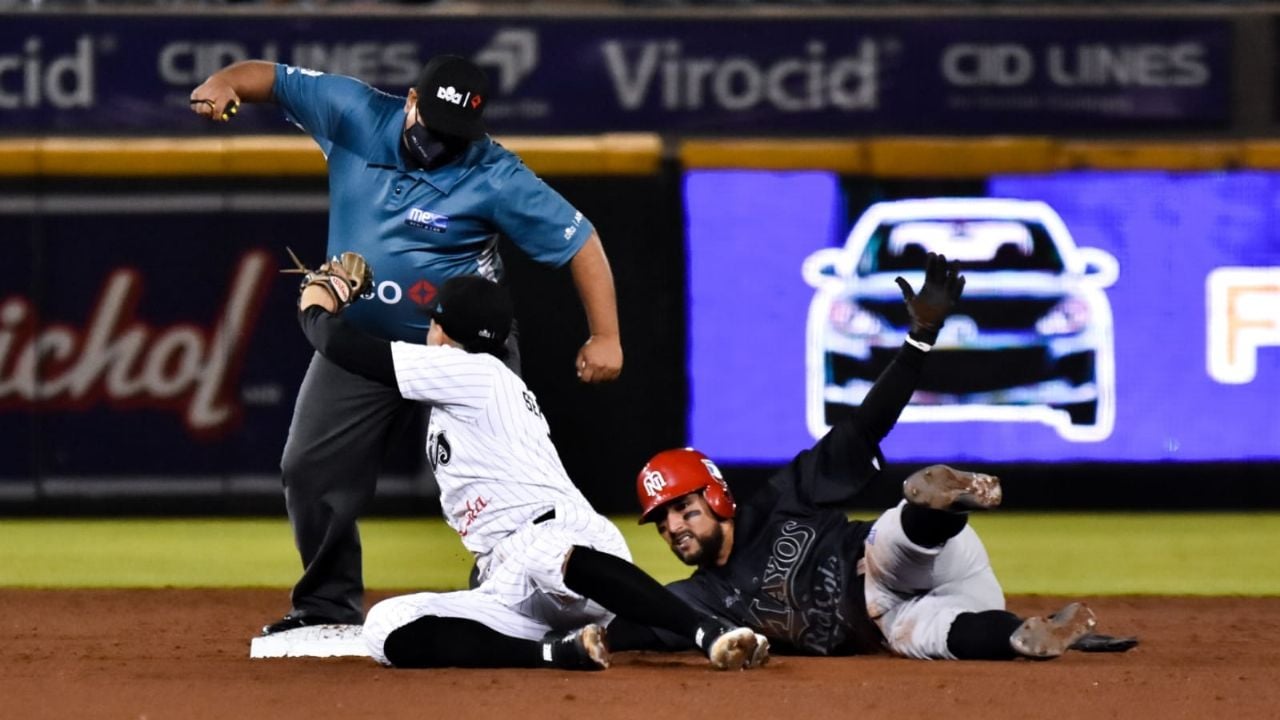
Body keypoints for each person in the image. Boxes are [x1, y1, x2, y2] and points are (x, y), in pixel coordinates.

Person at [190, 54, 625, 635]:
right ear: (412, 101)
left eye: (457, 135)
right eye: (435, 126)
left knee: (509, 483)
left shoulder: (494, 171)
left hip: (464, 350)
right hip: (366, 338)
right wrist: (222, 82)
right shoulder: (354, 112)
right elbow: (272, 78)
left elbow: (581, 242)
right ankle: (325, 604)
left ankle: (511, 600)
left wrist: (606, 336)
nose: (443, 144)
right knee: (310, 467)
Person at [613, 253, 1136, 660]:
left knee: (891, 543)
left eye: (683, 508)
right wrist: (566, 641)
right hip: (900, 617)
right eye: (661, 522)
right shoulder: (698, 599)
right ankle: (1031, 635)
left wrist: (921, 339)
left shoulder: (784, 498)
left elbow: (866, 427)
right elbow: (633, 625)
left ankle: (939, 502)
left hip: (907, 560)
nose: (673, 527)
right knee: (928, 637)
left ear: (716, 496)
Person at [290, 263, 767, 671]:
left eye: (434, 322)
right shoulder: (478, 384)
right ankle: (554, 653)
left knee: (542, 550)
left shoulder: (473, 371)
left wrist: (315, 303)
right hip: (511, 581)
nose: (428, 331)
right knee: (384, 626)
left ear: (443, 331)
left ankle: (709, 631)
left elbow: (352, 352)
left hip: (568, 545)